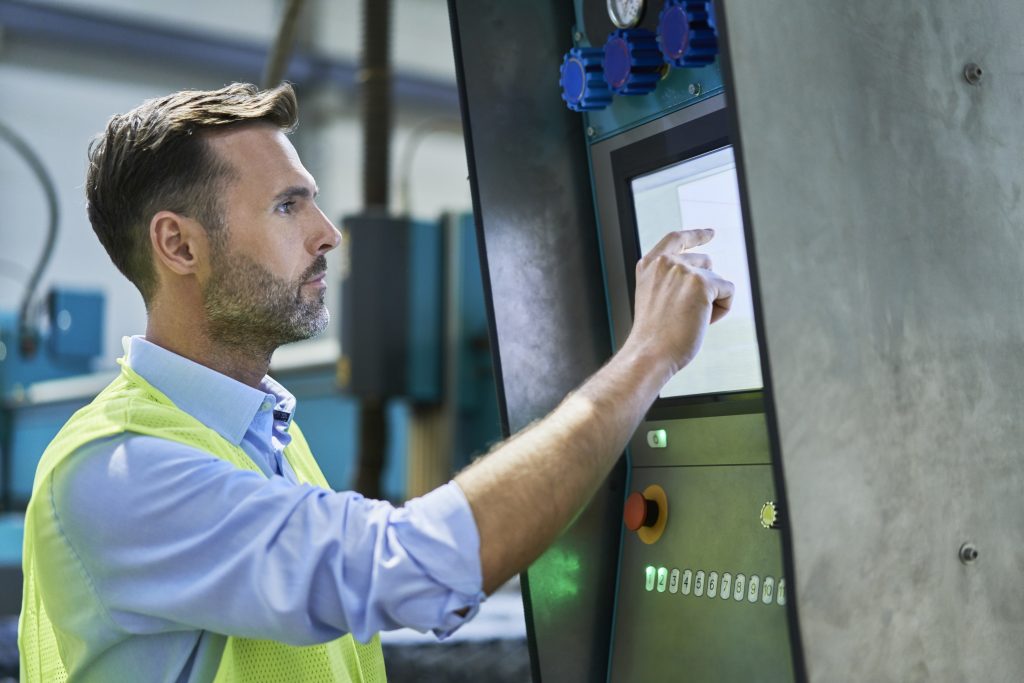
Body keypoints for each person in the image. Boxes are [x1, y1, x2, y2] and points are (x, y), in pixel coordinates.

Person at [18, 82, 734, 682]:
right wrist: (648, 355)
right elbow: (414, 564)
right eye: (288, 205)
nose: (328, 232)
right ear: (179, 245)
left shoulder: (261, 434)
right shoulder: (121, 467)